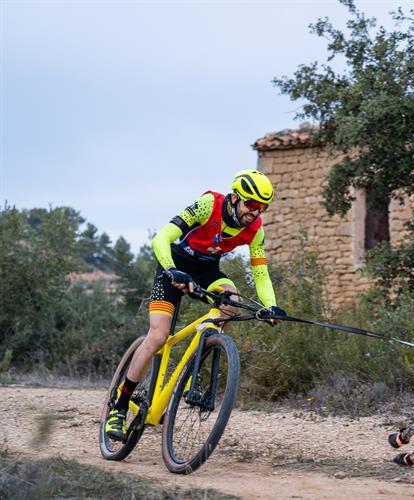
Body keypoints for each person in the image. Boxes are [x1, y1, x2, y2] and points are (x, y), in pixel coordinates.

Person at [105, 169, 286, 441]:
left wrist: (270, 306)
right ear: (235, 197)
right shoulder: (208, 205)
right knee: (158, 337)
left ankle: (198, 364)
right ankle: (118, 408)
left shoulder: (255, 230)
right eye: (251, 204)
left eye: (262, 208)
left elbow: (261, 273)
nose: (256, 212)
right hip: (173, 267)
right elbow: (161, 238)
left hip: (206, 271)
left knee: (232, 300)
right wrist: (170, 270)